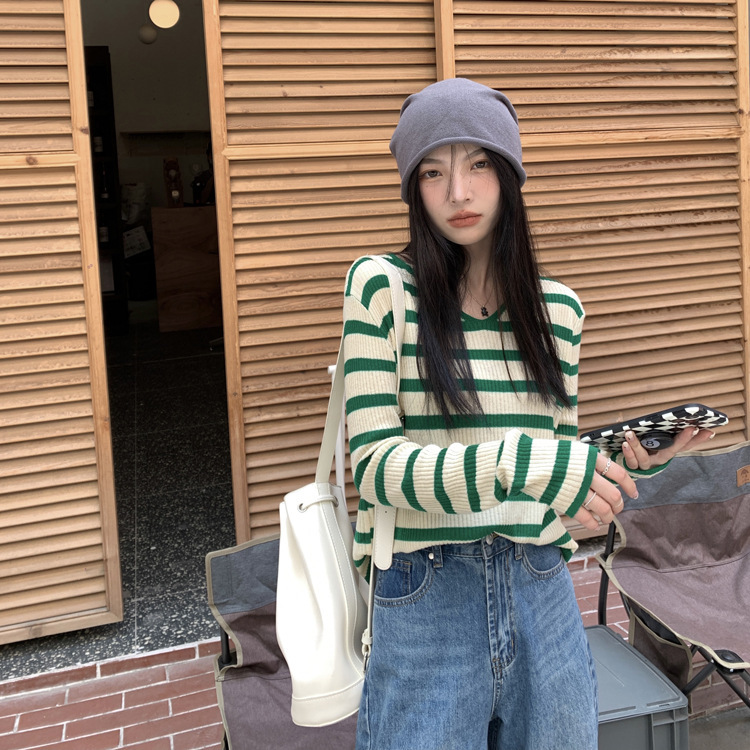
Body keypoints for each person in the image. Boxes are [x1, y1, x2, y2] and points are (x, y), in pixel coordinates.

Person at [342, 78, 713, 750]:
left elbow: (550, 483)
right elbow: (374, 467)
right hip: (425, 593)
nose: (459, 192)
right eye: (433, 172)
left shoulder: (558, 311)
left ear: (509, 176)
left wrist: (615, 467)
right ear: (413, 189)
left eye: (479, 164)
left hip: (541, 584)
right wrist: (526, 462)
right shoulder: (382, 288)